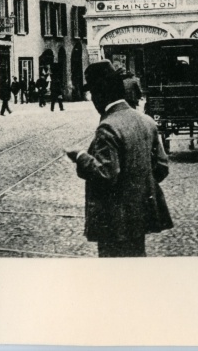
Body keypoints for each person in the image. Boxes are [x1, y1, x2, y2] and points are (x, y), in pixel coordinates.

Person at [66, 60, 173, 258]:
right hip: (141, 215)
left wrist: (80, 156)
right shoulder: (146, 121)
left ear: (99, 95)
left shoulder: (108, 127)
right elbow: (161, 167)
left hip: (114, 220)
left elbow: (105, 175)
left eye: (93, 95)